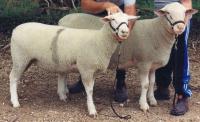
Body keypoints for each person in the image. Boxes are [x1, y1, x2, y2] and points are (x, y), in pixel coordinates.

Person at [68, 0, 194, 116]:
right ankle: (83, 79)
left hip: (173, 15)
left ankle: (121, 84)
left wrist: (127, 30)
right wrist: (105, 5)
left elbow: (130, 8)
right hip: (99, 10)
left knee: (178, 52)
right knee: (90, 40)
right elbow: (85, 3)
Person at [154, 0, 194, 116]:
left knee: (180, 53)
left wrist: (182, 24)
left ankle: (182, 96)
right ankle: (162, 86)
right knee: (161, 51)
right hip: (161, 17)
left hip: (179, 17)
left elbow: (186, 2)